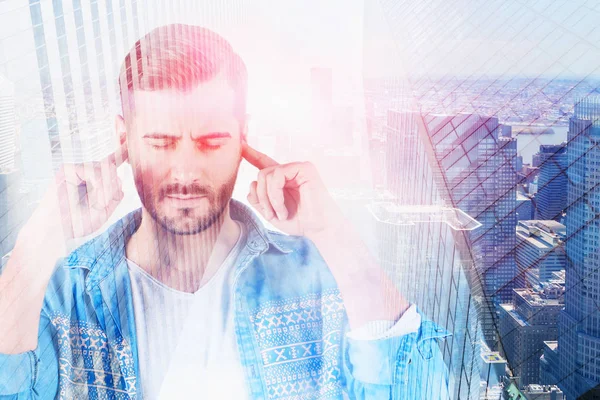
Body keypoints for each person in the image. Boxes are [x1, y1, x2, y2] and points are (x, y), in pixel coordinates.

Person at [0, 24, 450, 399]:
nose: (185, 170)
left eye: (211, 141)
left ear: (243, 137)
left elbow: (422, 391)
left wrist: (334, 234)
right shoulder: (60, 296)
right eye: (160, 141)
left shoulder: (321, 280)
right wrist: (38, 243)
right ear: (124, 139)